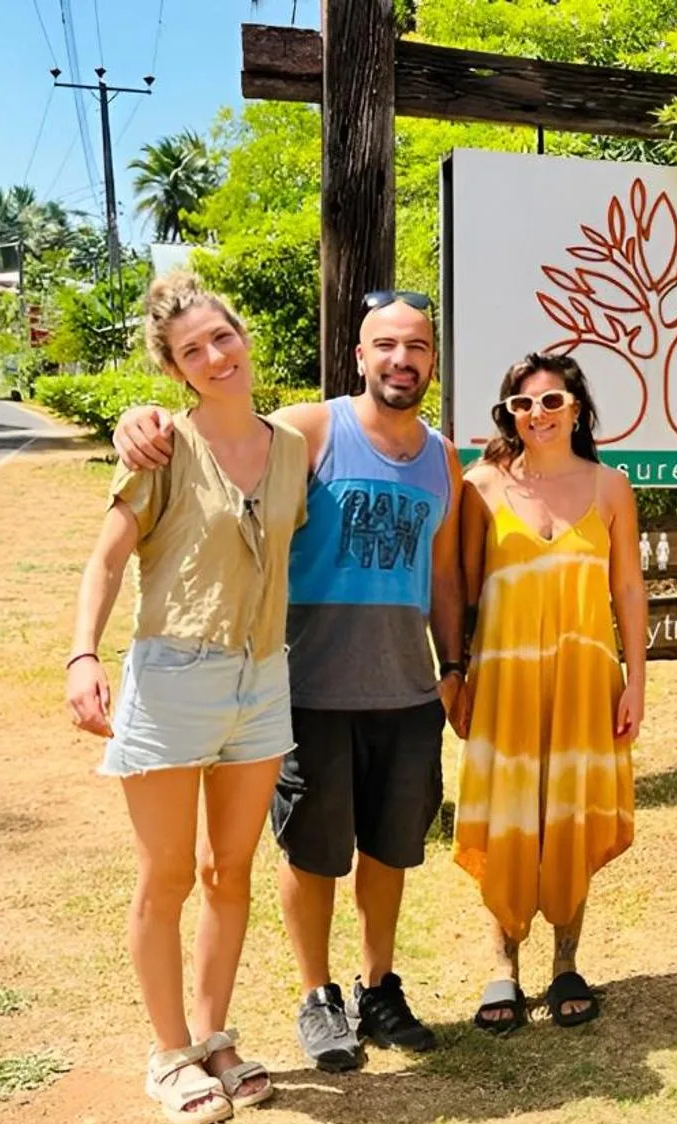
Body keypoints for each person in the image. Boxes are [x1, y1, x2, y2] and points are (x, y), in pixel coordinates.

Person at [111, 289, 465, 1072]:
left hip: (407, 689)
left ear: (433, 363)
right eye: (385, 345)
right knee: (312, 853)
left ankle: (379, 987)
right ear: (359, 356)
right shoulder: (311, 428)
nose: (401, 360)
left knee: (390, 850)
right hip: (305, 683)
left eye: (417, 347)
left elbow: (441, 574)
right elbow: (223, 439)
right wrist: (140, 417)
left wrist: (454, 665)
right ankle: (318, 997)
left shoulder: (443, 457)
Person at [65, 271, 306, 1124]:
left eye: (223, 337)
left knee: (229, 870)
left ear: (245, 337)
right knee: (166, 874)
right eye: (193, 350)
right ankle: (169, 1055)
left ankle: (214, 1036)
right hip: (173, 677)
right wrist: (82, 654)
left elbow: (369, 420)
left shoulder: (291, 445)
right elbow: (106, 560)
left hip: (263, 677)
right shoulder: (163, 446)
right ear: (174, 370)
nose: (215, 356)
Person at [453, 351, 646, 1033]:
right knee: (508, 815)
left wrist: (636, 684)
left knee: (569, 811)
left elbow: (627, 588)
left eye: (551, 402)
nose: (537, 414)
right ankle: (500, 966)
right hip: (504, 679)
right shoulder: (479, 486)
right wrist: (455, 675)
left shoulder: (610, 487)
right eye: (522, 405)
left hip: (585, 677)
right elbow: (461, 592)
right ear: (508, 415)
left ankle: (567, 961)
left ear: (577, 409)